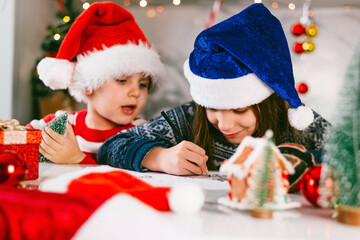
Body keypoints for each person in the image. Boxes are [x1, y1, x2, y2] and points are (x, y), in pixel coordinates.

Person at [98, 3, 329, 183]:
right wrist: (159, 157)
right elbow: (111, 147)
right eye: (213, 108)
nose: (225, 124)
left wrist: (293, 162)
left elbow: (352, 156)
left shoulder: (296, 122)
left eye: (240, 109)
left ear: (267, 101)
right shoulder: (189, 119)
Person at [27, 2, 165, 164]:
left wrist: (77, 160)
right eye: (122, 81)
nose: (136, 92)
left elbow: (128, 182)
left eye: (142, 84)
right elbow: (15, 142)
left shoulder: (142, 133)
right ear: (87, 86)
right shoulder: (63, 124)